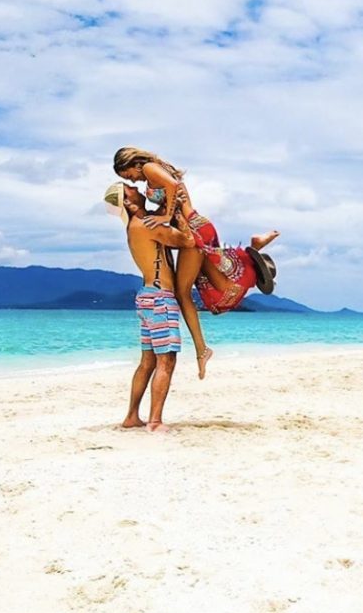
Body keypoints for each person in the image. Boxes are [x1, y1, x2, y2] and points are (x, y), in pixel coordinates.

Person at [112, 147, 279, 376]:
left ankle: (202, 349)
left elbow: (171, 186)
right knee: (218, 282)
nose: (132, 180)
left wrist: (162, 216)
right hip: (197, 223)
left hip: (193, 227)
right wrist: (162, 214)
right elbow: (172, 194)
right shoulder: (155, 170)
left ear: (132, 163)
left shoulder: (150, 168)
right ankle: (254, 249)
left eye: (128, 175)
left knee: (184, 293)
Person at [103, 181, 195, 431]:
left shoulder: (137, 226)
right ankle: (154, 421)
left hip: (147, 297)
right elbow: (187, 240)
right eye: (129, 188)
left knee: (148, 362)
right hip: (160, 299)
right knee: (166, 361)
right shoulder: (144, 226)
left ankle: (132, 416)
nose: (135, 186)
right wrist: (178, 208)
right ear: (128, 203)